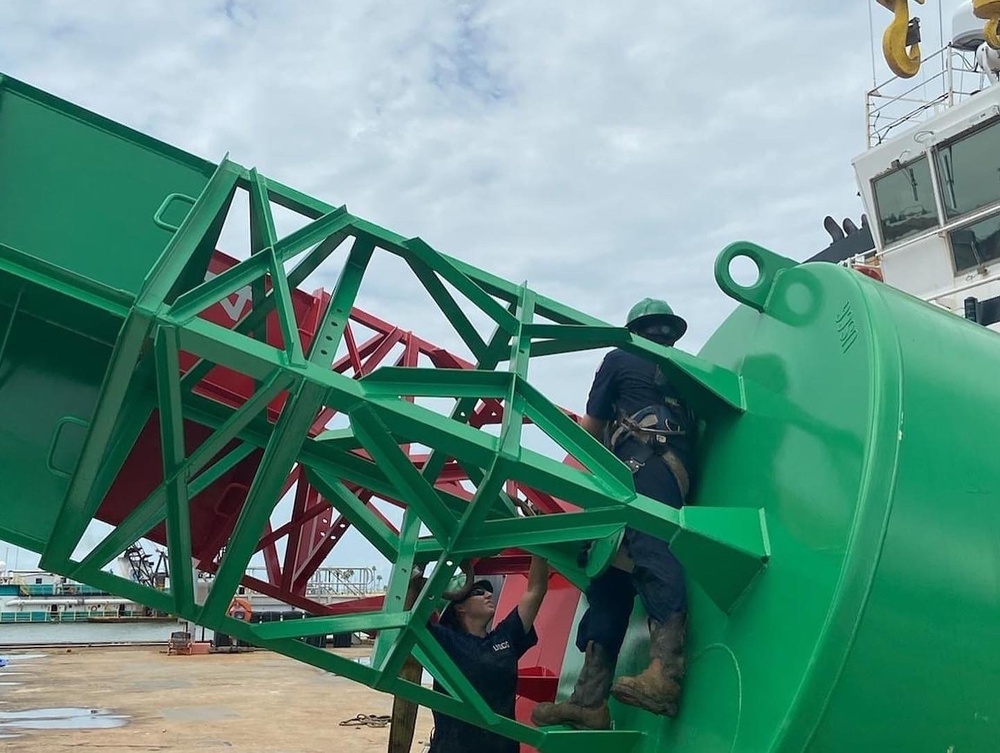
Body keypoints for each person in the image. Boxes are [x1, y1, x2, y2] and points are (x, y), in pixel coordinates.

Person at [531, 298, 696, 730]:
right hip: (667, 471)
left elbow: (590, 431)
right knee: (610, 578)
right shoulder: (684, 368)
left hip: (641, 467)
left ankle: (666, 674)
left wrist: (568, 489)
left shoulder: (619, 358)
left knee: (651, 549)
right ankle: (589, 702)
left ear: (632, 329)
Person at [427, 556, 549, 753]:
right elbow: (412, 613)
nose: (488, 594)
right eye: (478, 592)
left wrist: (540, 547)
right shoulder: (444, 642)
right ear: (459, 607)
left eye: (488, 591)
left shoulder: (505, 638)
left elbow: (535, 591)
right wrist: (416, 571)